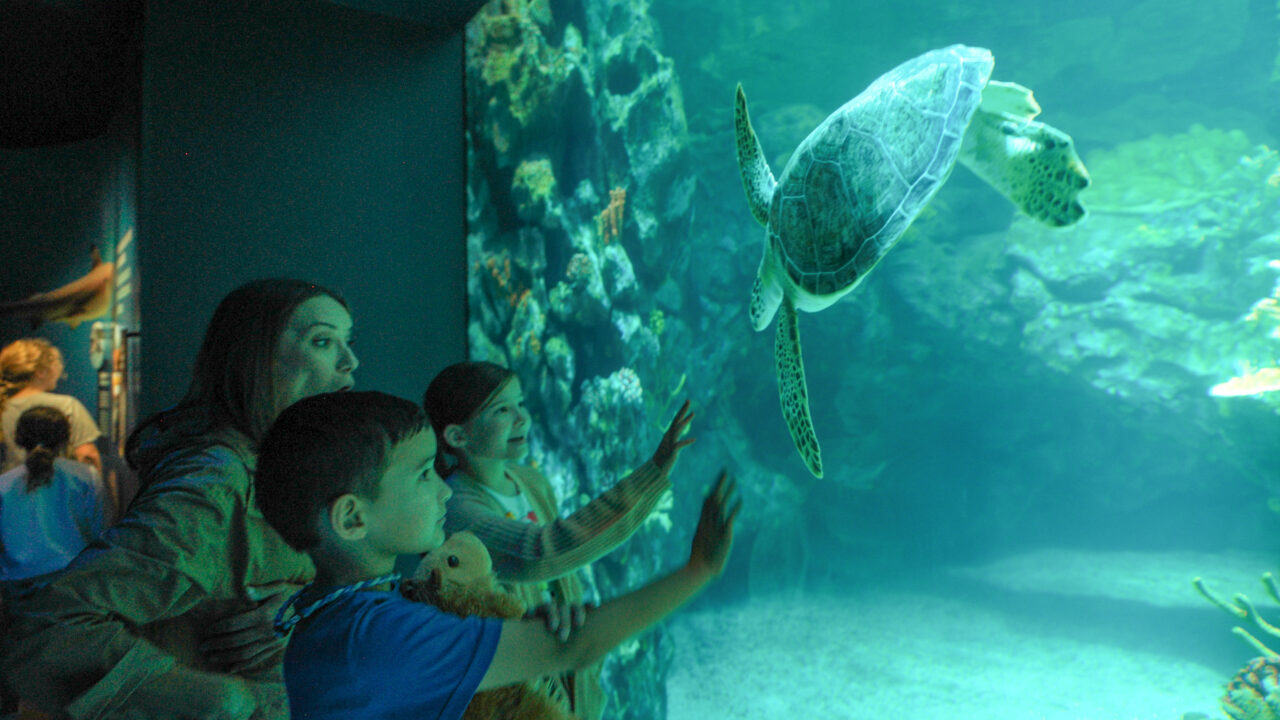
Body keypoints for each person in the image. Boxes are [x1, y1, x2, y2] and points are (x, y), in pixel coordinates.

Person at [254, 390, 739, 719]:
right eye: (423, 475)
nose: (443, 491)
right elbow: (575, 647)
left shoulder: (334, 616)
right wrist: (698, 571)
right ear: (352, 518)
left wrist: (517, 629)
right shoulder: (378, 637)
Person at [0, 278, 358, 720]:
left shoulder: (276, 467)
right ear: (254, 359)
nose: (351, 362)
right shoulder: (214, 486)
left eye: (348, 341)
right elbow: (48, 628)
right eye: (322, 341)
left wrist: (311, 603)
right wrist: (215, 699)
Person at [423, 361, 694, 719]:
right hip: (519, 696)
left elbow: (563, 575)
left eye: (521, 403)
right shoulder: (458, 508)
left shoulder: (531, 481)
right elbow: (544, 552)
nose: (522, 418)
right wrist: (652, 474)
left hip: (569, 679)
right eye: (502, 410)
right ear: (458, 436)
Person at [0, 405, 109, 581]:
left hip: (17, 582)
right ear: (65, 438)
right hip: (72, 580)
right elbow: (100, 529)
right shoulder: (86, 476)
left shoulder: (4, 483)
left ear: (19, 438)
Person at [0, 338, 102, 475]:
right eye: (57, 362)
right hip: (58, 485)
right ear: (40, 372)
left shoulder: (3, 406)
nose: (61, 368)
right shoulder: (67, 406)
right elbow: (87, 455)